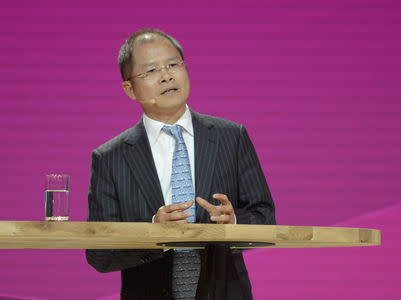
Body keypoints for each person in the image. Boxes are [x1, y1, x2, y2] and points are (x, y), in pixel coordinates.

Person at [86, 28, 276, 300]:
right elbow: (99, 254)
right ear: (129, 89)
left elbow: (266, 218)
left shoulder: (231, 137)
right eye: (151, 71)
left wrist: (233, 221)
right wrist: (153, 232)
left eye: (173, 64)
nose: (167, 76)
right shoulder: (110, 158)